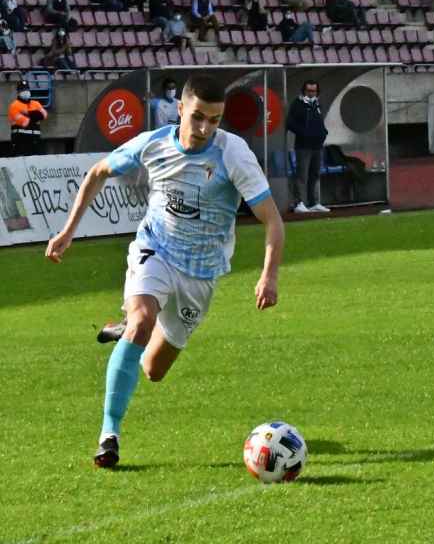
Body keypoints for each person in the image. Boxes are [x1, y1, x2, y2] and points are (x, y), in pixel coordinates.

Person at [44, 74, 285, 469]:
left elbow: (273, 220)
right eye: (198, 117)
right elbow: (98, 172)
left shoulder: (234, 155)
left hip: (201, 274)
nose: (206, 128)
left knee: (154, 370)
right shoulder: (154, 143)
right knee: (142, 320)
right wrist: (68, 231)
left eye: (215, 120)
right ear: (180, 109)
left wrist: (268, 275)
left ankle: (130, 330)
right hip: (154, 249)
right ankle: (109, 435)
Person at [286, 80, 329, 213]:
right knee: (302, 175)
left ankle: (314, 202)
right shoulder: (297, 104)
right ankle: (299, 203)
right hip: (303, 146)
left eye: (313, 91)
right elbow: (290, 123)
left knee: (315, 174)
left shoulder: (317, 104)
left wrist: (323, 132)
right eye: (309, 91)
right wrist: (304, 133)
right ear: (304, 91)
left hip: (317, 145)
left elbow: (320, 121)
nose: (311, 94)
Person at [8, 81, 47, 156]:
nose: (25, 92)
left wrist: (27, 113)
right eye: (22, 90)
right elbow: (25, 121)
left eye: (27, 89)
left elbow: (44, 115)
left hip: (35, 141)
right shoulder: (14, 105)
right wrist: (35, 114)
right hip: (20, 142)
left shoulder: (36, 103)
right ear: (18, 92)